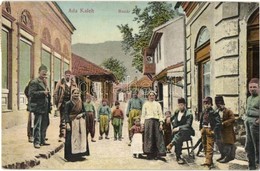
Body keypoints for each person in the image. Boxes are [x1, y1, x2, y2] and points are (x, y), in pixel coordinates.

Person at [28, 64, 51, 149]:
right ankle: (36, 142)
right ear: (39, 72)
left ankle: (42, 140)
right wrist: (42, 93)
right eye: (43, 73)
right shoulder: (34, 82)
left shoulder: (44, 82)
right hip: (38, 107)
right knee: (37, 124)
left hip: (45, 107)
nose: (44, 75)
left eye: (45, 74)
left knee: (45, 123)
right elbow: (31, 94)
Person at [166, 98, 195, 164]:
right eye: (179, 105)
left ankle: (173, 147)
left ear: (184, 105)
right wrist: (169, 119)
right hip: (178, 133)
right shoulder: (177, 111)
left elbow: (188, 125)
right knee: (178, 136)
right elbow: (172, 118)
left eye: (181, 105)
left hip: (186, 132)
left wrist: (178, 128)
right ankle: (177, 155)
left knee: (180, 133)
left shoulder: (189, 114)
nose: (180, 107)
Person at [64, 88, 89, 162]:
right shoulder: (68, 103)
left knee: (81, 138)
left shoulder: (81, 103)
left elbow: (85, 112)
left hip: (80, 123)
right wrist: (67, 123)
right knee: (71, 139)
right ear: (72, 94)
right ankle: (71, 157)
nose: (76, 95)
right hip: (72, 122)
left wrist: (81, 114)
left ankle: (80, 155)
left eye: (77, 93)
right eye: (75, 93)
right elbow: (66, 114)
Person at [141, 90, 166, 160]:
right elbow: (143, 115)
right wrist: (142, 124)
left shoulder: (157, 104)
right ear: (148, 97)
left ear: (155, 96)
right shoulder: (145, 104)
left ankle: (158, 154)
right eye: (150, 96)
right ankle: (149, 153)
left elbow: (161, 114)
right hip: (148, 122)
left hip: (156, 122)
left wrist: (161, 123)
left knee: (157, 137)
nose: (152, 97)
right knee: (149, 137)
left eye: (153, 96)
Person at [53, 70, 77, 142]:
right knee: (63, 120)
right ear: (64, 75)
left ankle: (69, 136)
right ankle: (62, 136)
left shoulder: (74, 84)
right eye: (66, 75)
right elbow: (55, 93)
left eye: (69, 75)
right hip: (63, 104)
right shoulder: (60, 83)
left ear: (71, 76)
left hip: (70, 104)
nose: (68, 76)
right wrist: (57, 103)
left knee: (71, 119)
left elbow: (76, 93)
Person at [199, 96, 221, 168]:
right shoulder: (203, 111)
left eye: (208, 103)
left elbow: (218, 123)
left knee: (209, 147)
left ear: (211, 104)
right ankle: (208, 160)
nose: (206, 105)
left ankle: (208, 163)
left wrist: (213, 131)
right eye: (205, 103)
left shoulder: (214, 112)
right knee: (204, 145)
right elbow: (201, 120)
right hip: (204, 130)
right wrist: (201, 129)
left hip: (210, 130)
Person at [214, 96, 236, 163]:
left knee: (227, 144)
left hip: (227, 131)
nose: (220, 106)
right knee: (219, 143)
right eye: (218, 105)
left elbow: (232, 119)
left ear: (224, 104)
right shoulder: (216, 112)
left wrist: (224, 123)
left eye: (221, 105)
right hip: (219, 131)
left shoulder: (228, 111)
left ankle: (227, 157)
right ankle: (222, 155)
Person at [244, 78, 259, 170]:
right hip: (248, 123)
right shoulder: (249, 98)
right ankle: (251, 166)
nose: (252, 89)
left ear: (259, 87)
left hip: (256, 124)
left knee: (257, 145)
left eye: (254, 87)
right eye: (250, 87)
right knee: (248, 146)